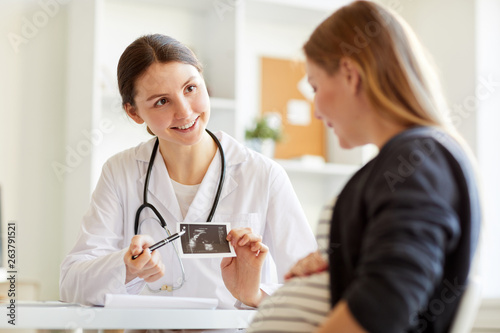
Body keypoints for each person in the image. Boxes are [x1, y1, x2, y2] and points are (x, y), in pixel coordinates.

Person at [245, 1, 481, 332]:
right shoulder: (409, 159)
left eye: (315, 87)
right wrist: (340, 265)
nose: (315, 111)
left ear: (350, 75)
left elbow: (386, 303)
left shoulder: (416, 159)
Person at [59, 34, 317, 310]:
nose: (184, 111)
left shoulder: (262, 175)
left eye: (191, 88)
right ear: (133, 112)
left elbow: (314, 290)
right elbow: (72, 284)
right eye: (161, 101)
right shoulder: (120, 172)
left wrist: (254, 295)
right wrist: (127, 267)